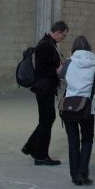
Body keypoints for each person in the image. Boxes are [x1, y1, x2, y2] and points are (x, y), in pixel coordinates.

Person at [22, 20, 69, 165]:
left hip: (46, 88)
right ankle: (41, 155)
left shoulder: (50, 43)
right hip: (43, 88)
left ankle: (31, 147)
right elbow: (41, 69)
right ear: (58, 32)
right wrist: (56, 70)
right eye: (64, 35)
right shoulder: (45, 45)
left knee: (46, 119)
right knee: (47, 120)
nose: (64, 38)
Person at [59, 34, 95, 185]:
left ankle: (75, 175)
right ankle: (83, 172)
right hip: (87, 106)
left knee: (73, 141)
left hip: (70, 105)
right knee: (87, 139)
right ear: (89, 47)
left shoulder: (68, 62)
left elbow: (61, 76)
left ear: (74, 48)